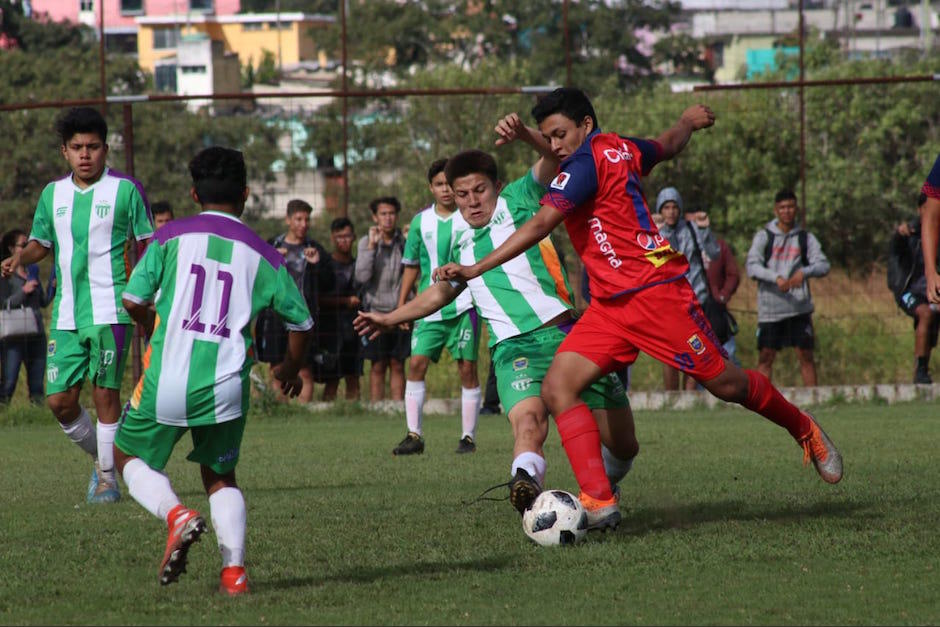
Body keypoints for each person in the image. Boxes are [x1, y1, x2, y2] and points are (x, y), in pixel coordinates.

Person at [436, 88, 842, 525]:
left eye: (559, 135)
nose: (553, 145)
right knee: (557, 388)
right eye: (549, 137)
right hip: (610, 307)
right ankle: (598, 499)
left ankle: (805, 429)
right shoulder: (618, 147)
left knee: (727, 385)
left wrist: (476, 268)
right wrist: (687, 121)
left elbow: (538, 224)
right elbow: (666, 145)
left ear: (585, 127)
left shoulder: (586, 164)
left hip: (656, 297)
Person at [357, 114, 640, 527]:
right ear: (451, 196)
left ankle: (604, 489)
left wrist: (526, 133)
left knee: (624, 444)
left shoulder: (520, 200)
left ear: (496, 187)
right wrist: (388, 317)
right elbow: (439, 293)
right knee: (528, 423)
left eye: (479, 190)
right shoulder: (457, 239)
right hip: (513, 349)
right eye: (462, 194)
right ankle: (525, 486)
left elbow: (556, 157)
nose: (472, 201)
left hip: (567, 335)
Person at [114, 146, 315, 595]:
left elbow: (132, 299)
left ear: (192, 193)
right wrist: (288, 366)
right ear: (245, 194)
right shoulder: (266, 255)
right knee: (220, 476)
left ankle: (176, 515)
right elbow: (302, 323)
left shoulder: (170, 238)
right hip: (226, 386)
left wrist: (153, 326)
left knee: (125, 457)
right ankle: (234, 572)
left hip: (167, 378)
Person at [0, 106, 154, 504]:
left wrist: (151, 298)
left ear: (106, 150)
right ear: (64, 152)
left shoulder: (127, 191)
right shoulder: (54, 194)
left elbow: (148, 246)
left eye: (93, 147)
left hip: (112, 310)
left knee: (105, 394)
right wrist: (21, 259)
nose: (85, 154)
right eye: (77, 147)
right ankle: (110, 460)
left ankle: (107, 480)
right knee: (59, 401)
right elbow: (41, 244)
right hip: (67, 313)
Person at [393, 159, 482, 456]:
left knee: (467, 369)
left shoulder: (469, 217)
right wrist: (402, 303)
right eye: (440, 184)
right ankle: (414, 435)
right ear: (431, 187)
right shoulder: (420, 222)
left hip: (463, 305)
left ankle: (467, 437)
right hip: (428, 308)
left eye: (449, 184)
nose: (445, 190)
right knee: (416, 364)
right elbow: (411, 264)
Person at [745, 190, 830, 386]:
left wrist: (805, 272)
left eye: (790, 207)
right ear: (776, 210)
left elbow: (824, 264)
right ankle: (762, 402)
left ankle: (814, 400)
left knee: (806, 354)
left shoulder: (805, 238)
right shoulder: (764, 237)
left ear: (796, 209)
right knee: (766, 356)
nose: (787, 211)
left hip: (799, 308)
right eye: (782, 207)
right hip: (771, 310)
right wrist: (776, 278)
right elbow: (752, 266)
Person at [260, 199, 333, 402]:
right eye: (298, 219)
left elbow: (330, 282)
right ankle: (281, 413)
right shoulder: (272, 245)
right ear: (288, 220)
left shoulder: (314, 248)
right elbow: (257, 280)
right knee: (276, 369)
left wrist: (317, 264)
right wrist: (272, 261)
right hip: (274, 317)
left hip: (303, 317)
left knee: (305, 369)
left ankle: (304, 415)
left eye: (307, 219)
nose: (303, 224)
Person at [655, 188, 720, 390]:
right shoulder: (653, 232)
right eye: (666, 207)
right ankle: (672, 397)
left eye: (675, 207)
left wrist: (705, 230)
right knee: (670, 353)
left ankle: (689, 395)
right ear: (661, 210)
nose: (671, 211)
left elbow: (714, 254)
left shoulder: (692, 229)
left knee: (696, 350)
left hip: (695, 297)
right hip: (668, 301)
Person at [355, 196, 409, 402]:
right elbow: (361, 276)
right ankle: (376, 408)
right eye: (383, 214)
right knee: (377, 364)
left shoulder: (404, 242)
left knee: (398, 362)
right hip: (374, 311)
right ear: (375, 217)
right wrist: (371, 247)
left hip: (399, 311)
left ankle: (397, 407)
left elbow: (412, 274)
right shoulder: (366, 243)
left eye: (391, 214)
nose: (388, 218)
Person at [889, 193, 939, 384]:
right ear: (920, 210)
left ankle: (925, 366)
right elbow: (895, 257)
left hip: (933, 291)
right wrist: (898, 236)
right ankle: (920, 369)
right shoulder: (907, 234)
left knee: (931, 318)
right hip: (909, 291)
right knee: (925, 314)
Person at [0, 229, 52, 404]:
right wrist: (23, 291)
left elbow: (43, 302)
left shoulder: (33, 271)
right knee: (8, 382)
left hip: (36, 334)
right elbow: (4, 303)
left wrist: (53, 287)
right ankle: (4, 415)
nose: (28, 248)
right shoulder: (6, 275)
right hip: (13, 337)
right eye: (23, 245)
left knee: (37, 384)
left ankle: (37, 414)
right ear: (11, 249)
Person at [315, 217, 362, 401]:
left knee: (353, 376)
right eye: (339, 236)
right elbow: (318, 299)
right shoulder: (325, 265)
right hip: (330, 329)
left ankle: (354, 413)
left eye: (347, 236)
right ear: (333, 238)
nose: (344, 240)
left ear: (354, 237)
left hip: (354, 328)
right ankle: (327, 414)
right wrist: (344, 301)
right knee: (332, 378)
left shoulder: (360, 265)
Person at [704, 234, 741, 366]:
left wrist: (723, 294)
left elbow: (733, 274)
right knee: (696, 355)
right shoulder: (680, 242)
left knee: (727, 352)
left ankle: (732, 383)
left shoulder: (719, 245)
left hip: (716, 307)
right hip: (690, 307)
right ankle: (693, 387)